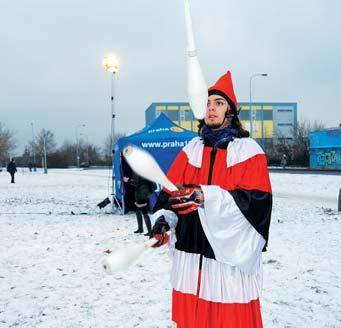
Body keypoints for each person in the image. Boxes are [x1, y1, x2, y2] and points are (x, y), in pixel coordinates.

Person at [150, 70, 272, 328]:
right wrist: (163, 222)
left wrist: (208, 197)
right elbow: (169, 195)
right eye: (207, 102)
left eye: (218, 103)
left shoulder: (248, 151)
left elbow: (257, 203)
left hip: (228, 260)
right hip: (191, 254)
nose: (211, 108)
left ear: (231, 111)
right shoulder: (190, 150)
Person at [123, 172, 155, 236]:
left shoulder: (137, 171)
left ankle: (150, 231)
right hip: (144, 193)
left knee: (144, 212)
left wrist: (128, 180)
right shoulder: (143, 171)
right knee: (137, 211)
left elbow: (136, 183)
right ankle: (140, 229)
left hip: (141, 194)